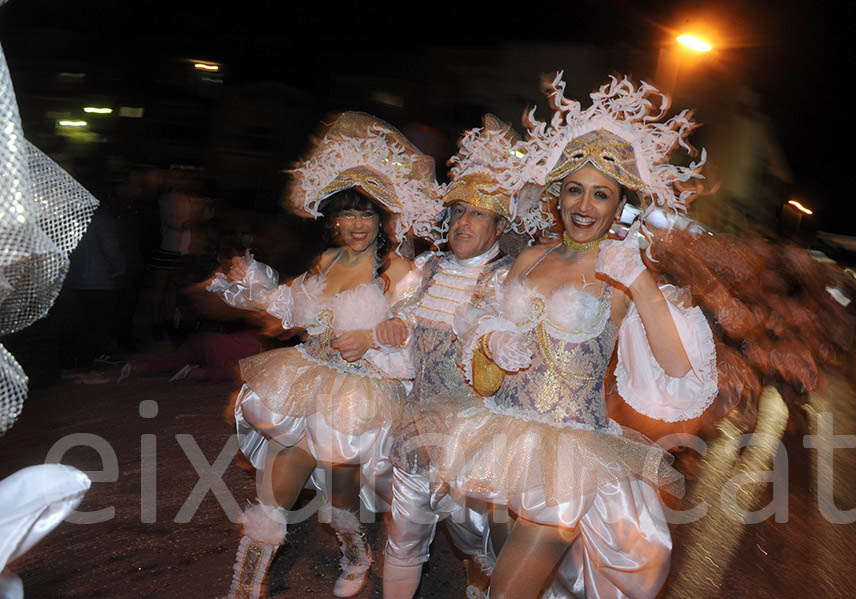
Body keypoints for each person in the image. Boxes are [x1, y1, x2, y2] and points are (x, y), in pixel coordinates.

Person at [415, 74, 720, 599]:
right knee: (510, 571)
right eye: (575, 189)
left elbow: (677, 368)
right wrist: (491, 342)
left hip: (570, 457)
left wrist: (641, 283)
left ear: (619, 203)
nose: (584, 205)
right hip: (501, 438)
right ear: (557, 195)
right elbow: (480, 322)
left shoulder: (623, 271)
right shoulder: (532, 257)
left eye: (601, 194)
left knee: (507, 590)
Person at [208, 112, 441, 598]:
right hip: (305, 380)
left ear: (384, 217)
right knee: (275, 491)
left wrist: (376, 338)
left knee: (340, 493)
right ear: (333, 217)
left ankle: (355, 549)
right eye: (346, 213)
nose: (355, 224)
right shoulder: (325, 261)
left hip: (358, 398)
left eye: (366, 213)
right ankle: (244, 588)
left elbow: (416, 339)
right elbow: (292, 309)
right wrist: (249, 283)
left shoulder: (403, 272)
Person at [366, 115, 548, 599]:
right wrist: (390, 327)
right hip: (413, 427)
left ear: (500, 224)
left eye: (478, 214)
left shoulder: (511, 282)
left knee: (480, 543)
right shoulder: (426, 269)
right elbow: (398, 320)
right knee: (402, 540)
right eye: (458, 211)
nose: (462, 223)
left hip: (474, 445)